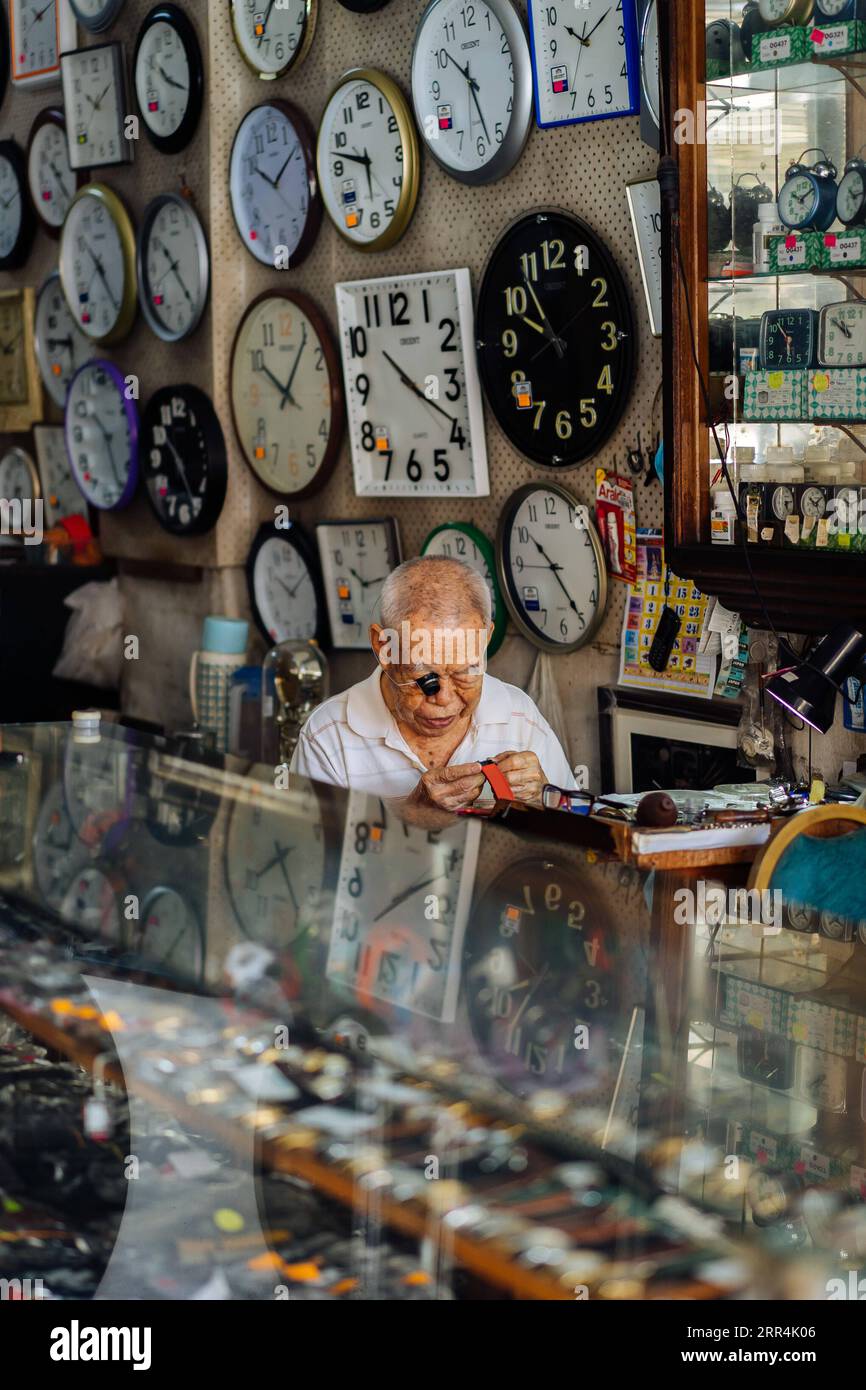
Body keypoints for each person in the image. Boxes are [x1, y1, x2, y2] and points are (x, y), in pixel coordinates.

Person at [290, 555, 576, 812]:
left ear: (485, 639)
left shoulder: (519, 716)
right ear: (383, 647)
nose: (445, 699)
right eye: (425, 678)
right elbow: (313, 860)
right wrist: (412, 814)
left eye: (465, 672)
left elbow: (575, 841)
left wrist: (546, 801)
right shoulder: (327, 737)